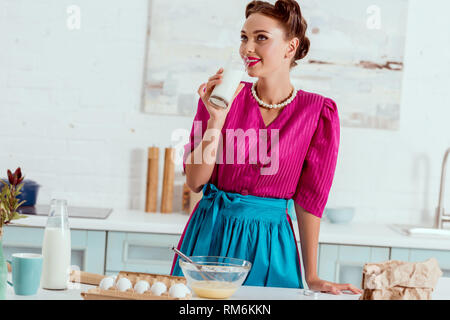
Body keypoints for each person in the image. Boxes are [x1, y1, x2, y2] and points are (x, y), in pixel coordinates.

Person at [170, 0, 362, 295]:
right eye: (244, 38)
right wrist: (216, 120)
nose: (247, 48)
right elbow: (195, 182)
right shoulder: (220, 97)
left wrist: (312, 276)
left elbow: (310, 200)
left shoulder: (317, 113)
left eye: (261, 38)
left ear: (290, 47)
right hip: (211, 238)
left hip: (271, 245)